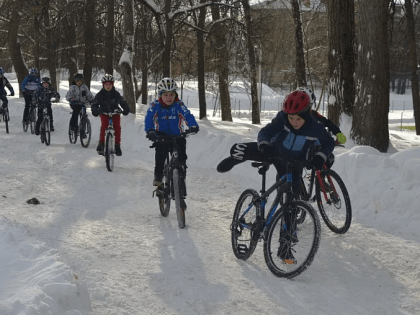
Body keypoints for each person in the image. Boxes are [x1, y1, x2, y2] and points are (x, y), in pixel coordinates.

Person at [217, 89, 335, 264]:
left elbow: (328, 143)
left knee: (291, 205)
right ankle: (236, 157)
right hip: (275, 153)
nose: (294, 122)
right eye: (291, 118)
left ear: (306, 115)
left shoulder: (315, 127)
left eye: (298, 119)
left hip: (295, 163)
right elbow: (266, 132)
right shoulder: (282, 118)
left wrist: (320, 157)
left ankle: (285, 249)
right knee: (245, 149)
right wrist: (264, 144)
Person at [144, 77, 199, 186]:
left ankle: (181, 178)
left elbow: (187, 115)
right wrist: (150, 131)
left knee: (181, 156)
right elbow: (149, 118)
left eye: (171, 94)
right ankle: (158, 177)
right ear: (160, 95)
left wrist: (193, 125)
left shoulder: (179, 105)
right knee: (160, 156)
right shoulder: (155, 106)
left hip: (178, 135)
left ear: (175, 95)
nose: (169, 98)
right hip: (161, 136)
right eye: (165, 95)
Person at [91, 74, 130, 156]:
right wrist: (95, 110)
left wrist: (125, 108)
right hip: (104, 112)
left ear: (112, 85)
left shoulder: (116, 94)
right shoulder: (100, 95)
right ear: (103, 85)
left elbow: (122, 102)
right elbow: (94, 104)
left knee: (117, 127)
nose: (108, 86)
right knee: (104, 125)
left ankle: (117, 145)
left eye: (109, 84)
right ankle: (101, 144)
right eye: (106, 85)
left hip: (115, 112)